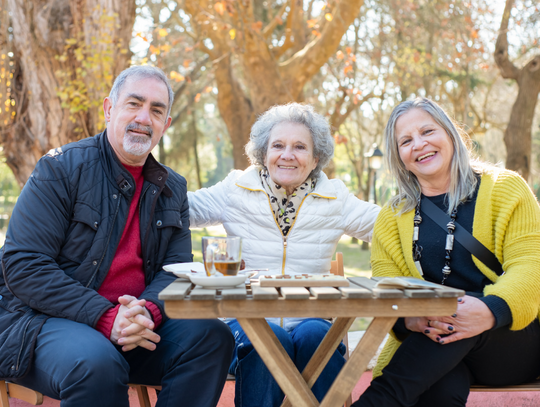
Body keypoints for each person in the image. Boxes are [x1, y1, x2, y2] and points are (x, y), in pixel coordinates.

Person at [0, 65, 234, 407]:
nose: (143, 117)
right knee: (97, 363)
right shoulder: (60, 169)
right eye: (134, 104)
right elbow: (24, 265)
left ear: (165, 125)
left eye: (156, 110)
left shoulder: (173, 188)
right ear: (110, 109)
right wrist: (105, 316)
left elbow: (176, 270)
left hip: (134, 326)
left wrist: (149, 312)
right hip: (45, 323)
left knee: (212, 336)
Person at [188, 103, 381, 407]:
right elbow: (179, 210)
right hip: (246, 323)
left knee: (318, 335)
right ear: (263, 153)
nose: (287, 154)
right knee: (270, 338)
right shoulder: (235, 189)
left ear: (316, 157)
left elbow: (389, 226)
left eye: (300, 147)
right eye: (278, 145)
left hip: (311, 317)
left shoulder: (335, 197)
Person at [352, 97, 540, 407]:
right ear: (398, 155)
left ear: (450, 133)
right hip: (434, 345)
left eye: (428, 131)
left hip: (510, 339)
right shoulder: (392, 217)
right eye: (406, 141)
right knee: (439, 389)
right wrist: (409, 321)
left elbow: (530, 267)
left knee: (453, 315)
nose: (419, 144)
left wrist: (488, 310)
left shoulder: (506, 188)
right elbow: (388, 292)